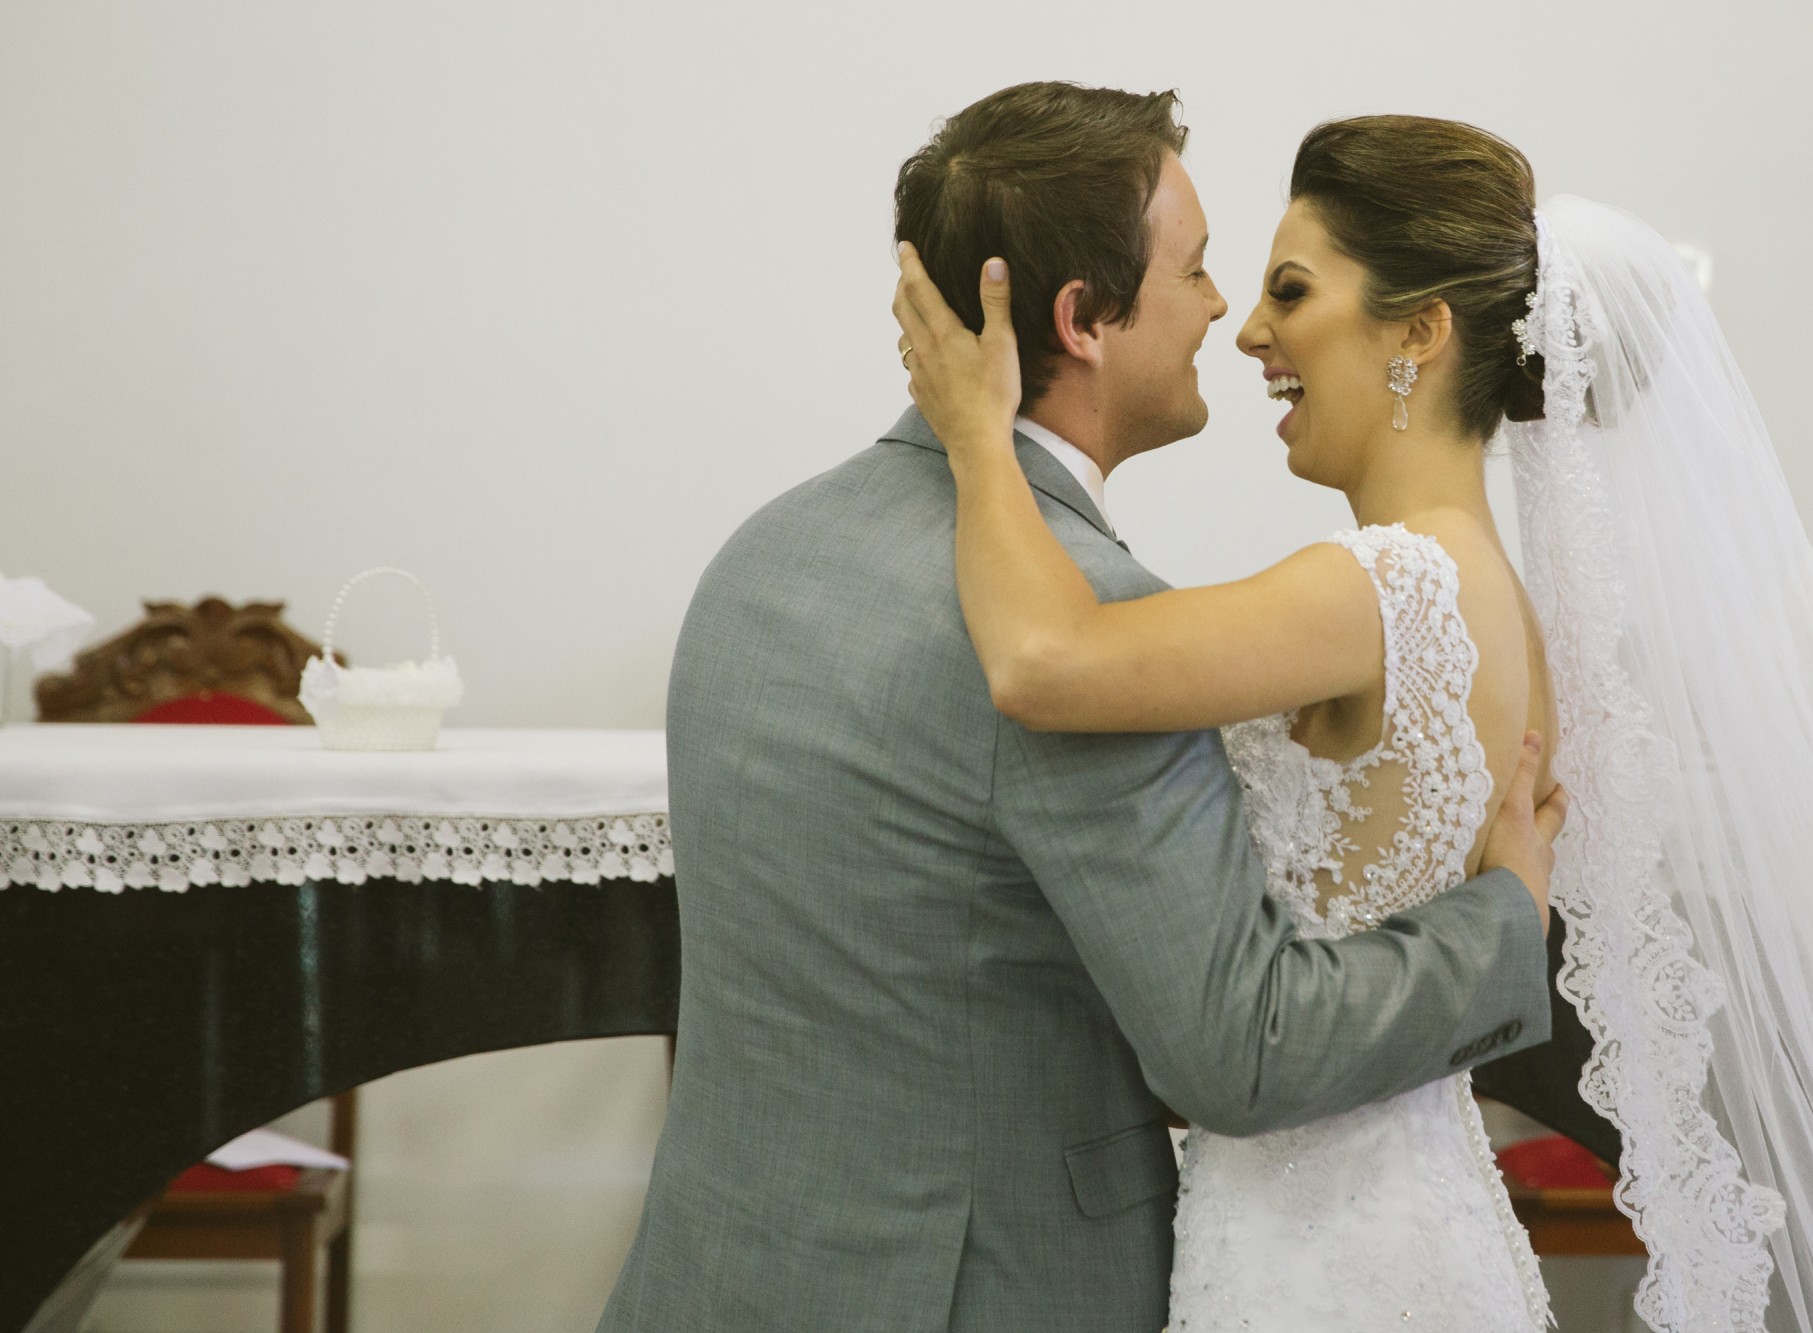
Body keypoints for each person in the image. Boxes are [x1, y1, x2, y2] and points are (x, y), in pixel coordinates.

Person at [896, 114, 1813, 1331]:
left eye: (1291, 290)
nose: (1251, 331)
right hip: (1389, 1211)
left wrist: (972, 433)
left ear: (1420, 331)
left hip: (1320, 1254)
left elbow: (1044, 661)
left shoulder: (1384, 584)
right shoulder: (1495, 597)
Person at [594, 85, 1566, 1333]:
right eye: (1206, 271)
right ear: (1082, 319)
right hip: (976, 1288)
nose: (1227, 315)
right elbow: (1238, 1049)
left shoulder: (764, 552)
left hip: (713, 1268)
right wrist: (1504, 923)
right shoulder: (1095, 615)